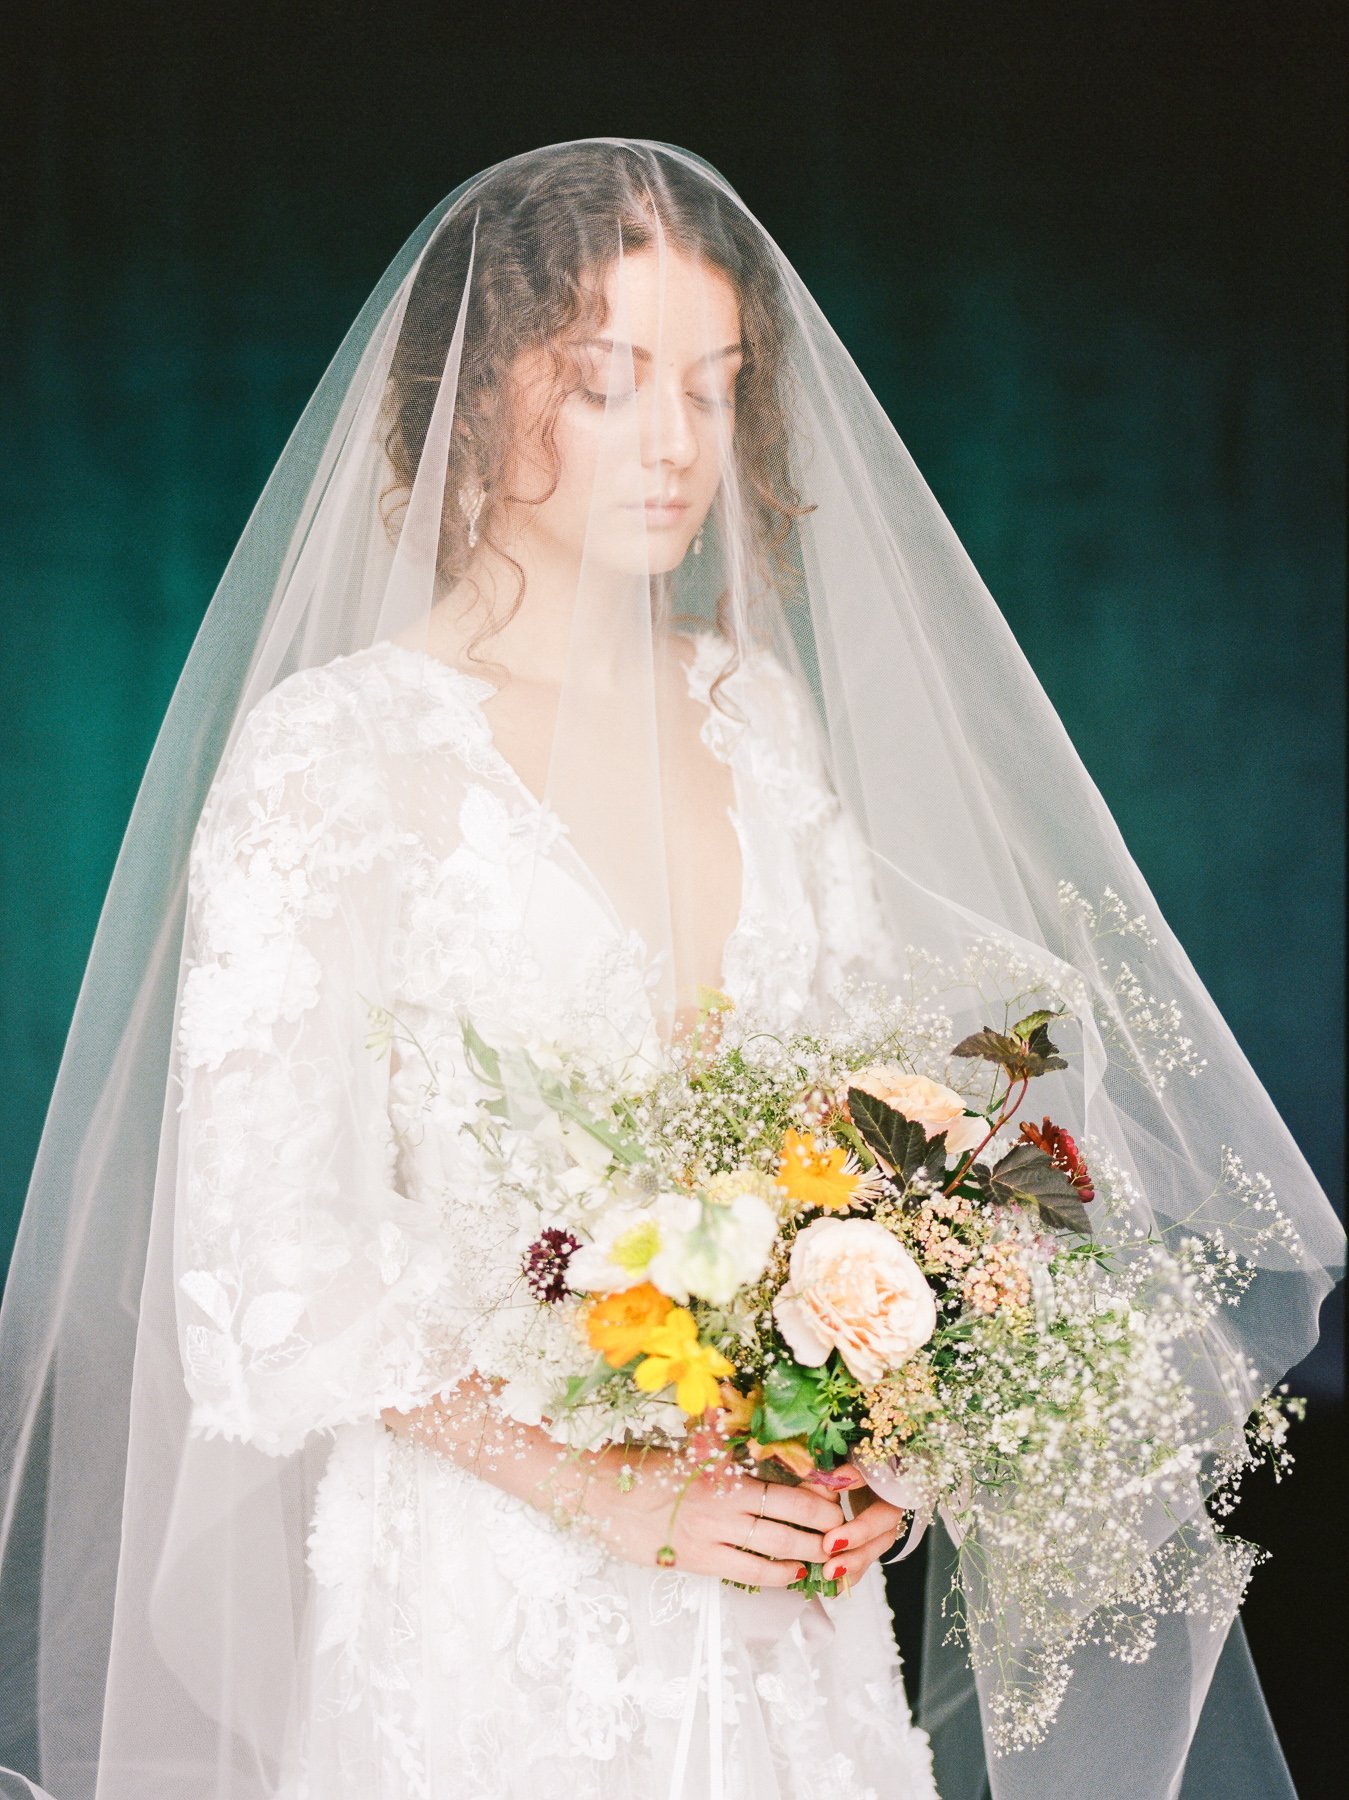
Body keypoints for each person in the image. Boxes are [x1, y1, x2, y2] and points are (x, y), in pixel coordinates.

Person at [0, 138, 1341, 1800]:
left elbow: (885, 1124)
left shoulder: (751, 721)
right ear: (484, 397)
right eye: (609, 382)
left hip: (787, 1593)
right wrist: (618, 1495)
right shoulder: (336, 759)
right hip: (483, 1610)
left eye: (712, 388)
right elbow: (268, 1273)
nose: (677, 445)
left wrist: (890, 1435)